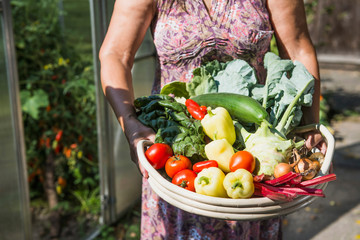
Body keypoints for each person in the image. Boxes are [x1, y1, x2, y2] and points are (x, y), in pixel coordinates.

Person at [99, 0, 326, 239]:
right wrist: (130, 125)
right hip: (176, 150)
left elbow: (299, 49)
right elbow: (115, 54)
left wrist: (310, 126)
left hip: (252, 154)